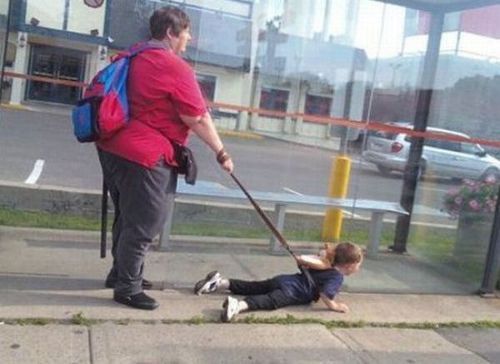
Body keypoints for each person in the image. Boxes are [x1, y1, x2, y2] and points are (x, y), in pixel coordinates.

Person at [97, 6, 233, 310]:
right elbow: (196, 117)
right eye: (185, 31)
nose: (189, 37)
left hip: (111, 146)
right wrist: (221, 151)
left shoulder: (133, 55)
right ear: (171, 33)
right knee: (146, 222)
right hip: (143, 154)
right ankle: (127, 288)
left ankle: (121, 274)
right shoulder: (173, 66)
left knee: (127, 215)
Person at [194, 242, 363, 322]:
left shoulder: (324, 263)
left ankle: (222, 282)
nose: (359, 268)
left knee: (256, 287)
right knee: (269, 301)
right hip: (291, 292)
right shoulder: (336, 276)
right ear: (349, 266)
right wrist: (335, 306)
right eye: (358, 265)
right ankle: (238, 306)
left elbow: (304, 265)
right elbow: (326, 294)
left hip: (283, 280)